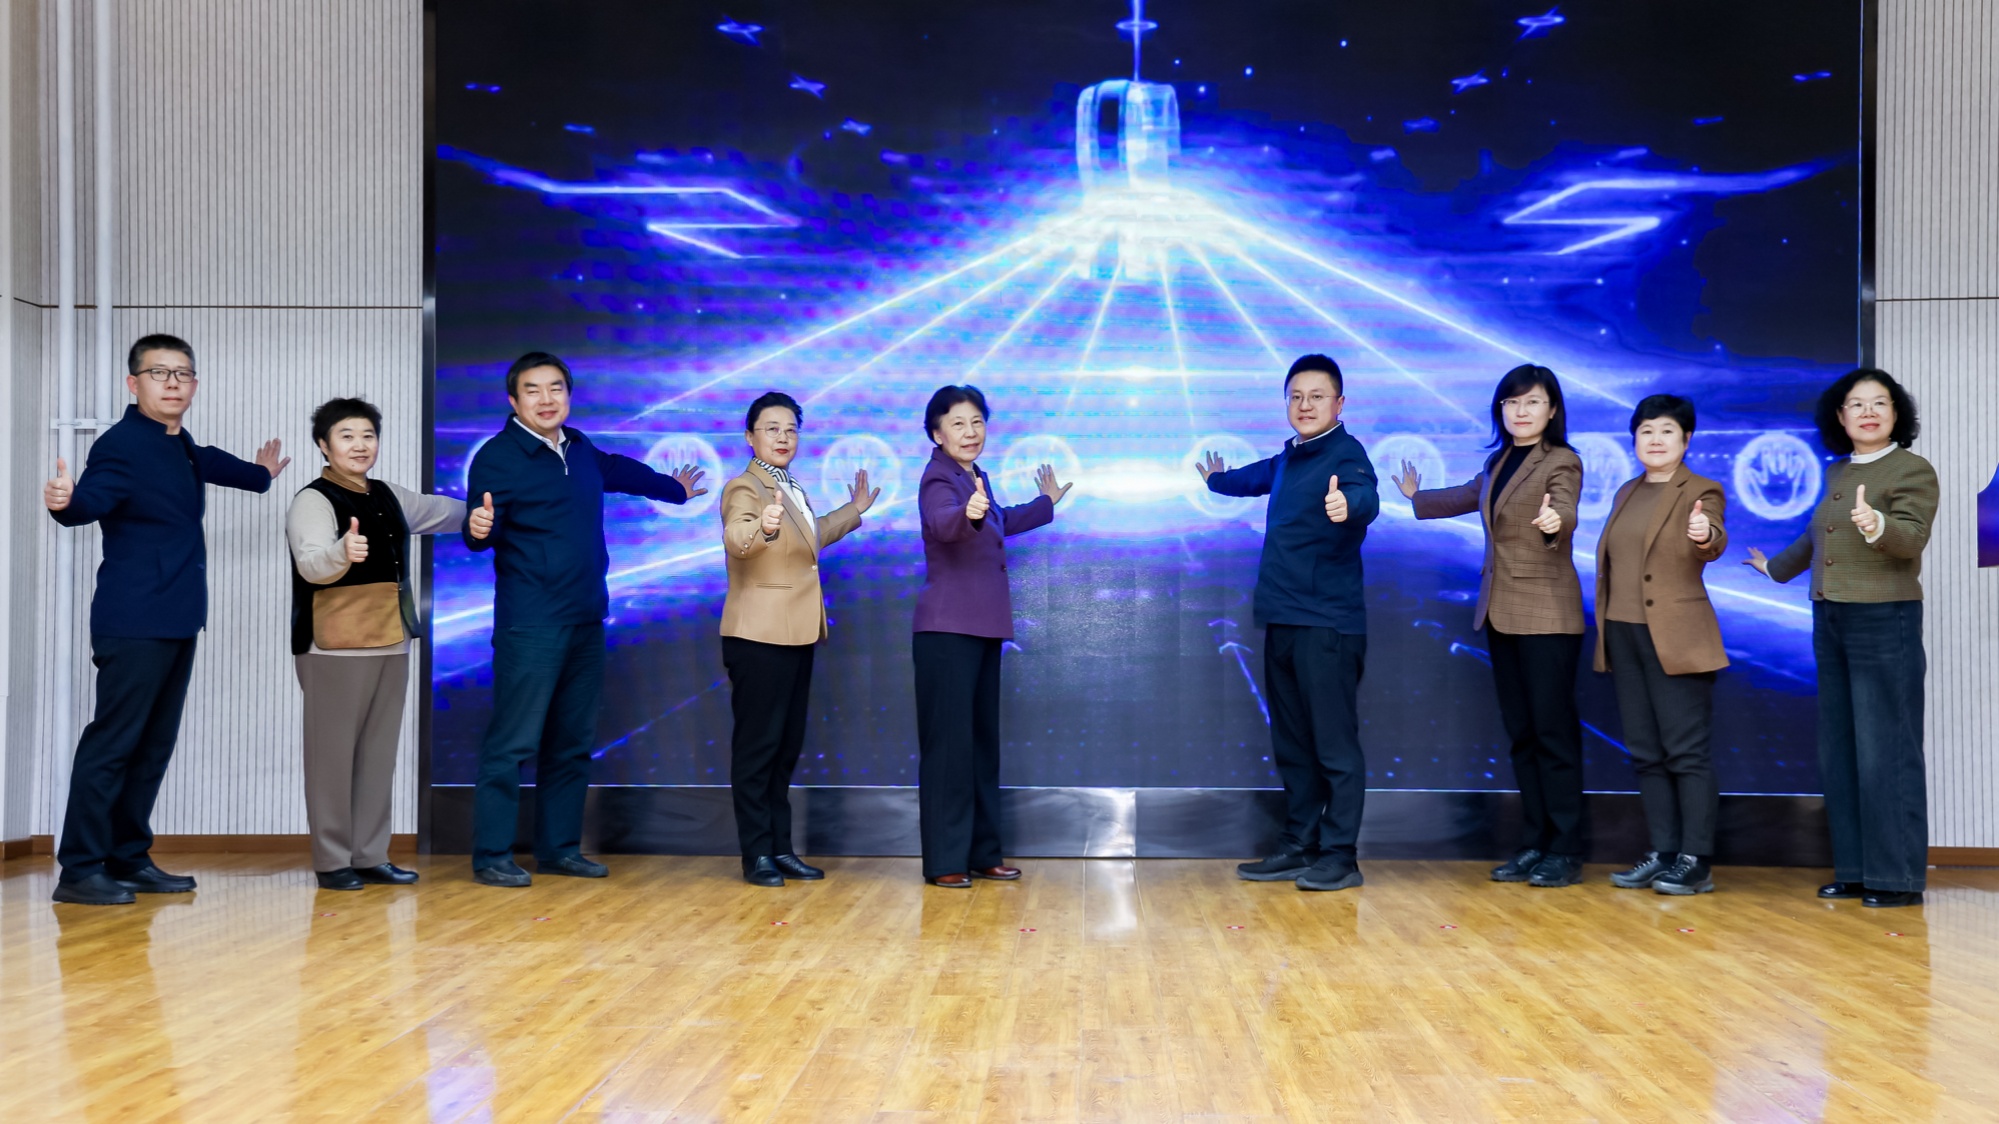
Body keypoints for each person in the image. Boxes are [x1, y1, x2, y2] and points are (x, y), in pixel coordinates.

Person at [43, 333, 290, 906]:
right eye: (160, 373)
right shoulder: (121, 445)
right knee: (113, 744)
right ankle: (79, 869)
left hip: (177, 617)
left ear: (194, 385)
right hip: (134, 619)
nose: (173, 383)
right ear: (134, 383)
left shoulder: (179, 442)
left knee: (152, 747)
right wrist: (66, 503)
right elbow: (90, 501)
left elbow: (210, 463)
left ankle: (128, 858)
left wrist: (260, 475)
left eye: (183, 374)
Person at [462, 351, 707, 887]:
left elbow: (617, 469)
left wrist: (673, 489)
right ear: (514, 400)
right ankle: (492, 856)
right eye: (533, 390)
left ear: (568, 396)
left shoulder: (579, 447)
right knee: (513, 743)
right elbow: (482, 527)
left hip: (586, 617)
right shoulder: (498, 457)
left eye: (556, 388)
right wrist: (478, 528)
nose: (546, 399)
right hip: (532, 623)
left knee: (571, 743)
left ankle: (559, 850)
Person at [1747, 368, 1936, 908]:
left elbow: (1911, 537)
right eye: (1856, 404)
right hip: (1829, 618)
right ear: (1840, 416)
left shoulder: (1913, 469)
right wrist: (1773, 569)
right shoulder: (1838, 471)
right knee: (1842, 749)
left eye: (1880, 403)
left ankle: (1896, 877)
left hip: (1884, 619)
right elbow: (1817, 534)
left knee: (1886, 751)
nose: (1868, 412)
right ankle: (1855, 870)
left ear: (1896, 413)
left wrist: (1877, 524)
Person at [1396, 364, 1587, 888]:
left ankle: (1565, 849)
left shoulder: (1562, 460)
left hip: (1547, 614)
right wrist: (1417, 497)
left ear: (1552, 409)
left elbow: (1564, 506)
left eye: (1532, 402)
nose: (1521, 411)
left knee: (1552, 735)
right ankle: (1535, 842)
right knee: (1522, 735)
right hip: (1501, 612)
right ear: (1500, 410)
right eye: (1511, 403)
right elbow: (1469, 494)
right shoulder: (1499, 460)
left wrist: (1557, 522)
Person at [1203, 354, 1381, 893]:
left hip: (1327, 625)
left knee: (1333, 746)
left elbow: (1365, 495)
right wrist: (1216, 480)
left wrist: (1348, 506)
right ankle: (1299, 843)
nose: (1305, 405)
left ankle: (1340, 855)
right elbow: (1253, 478)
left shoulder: (1347, 455)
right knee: (1294, 744)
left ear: (1339, 404)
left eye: (1317, 396)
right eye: (1296, 397)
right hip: (1282, 618)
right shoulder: (1290, 457)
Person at [287, 398, 466, 891]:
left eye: (368, 435)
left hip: (391, 640)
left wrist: (487, 510)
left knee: (378, 757)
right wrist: (342, 552)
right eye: (346, 436)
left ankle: (369, 855)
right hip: (334, 648)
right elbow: (312, 563)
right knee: (331, 759)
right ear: (324, 445)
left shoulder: (389, 495)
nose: (360, 445)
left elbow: (441, 511)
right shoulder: (312, 500)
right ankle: (332, 861)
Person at [913, 384, 1070, 888]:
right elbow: (944, 522)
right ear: (937, 434)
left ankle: (983, 853)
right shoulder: (939, 478)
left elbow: (999, 520)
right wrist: (967, 514)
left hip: (980, 627)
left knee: (980, 745)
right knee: (949, 748)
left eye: (977, 421)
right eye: (958, 423)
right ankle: (946, 861)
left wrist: (1045, 504)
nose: (970, 431)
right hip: (947, 630)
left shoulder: (974, 477)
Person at [719, 391, 877, 887]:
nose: (783, 437)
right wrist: (761, 529)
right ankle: (756, 855)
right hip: (758, 635)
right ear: (750, 437)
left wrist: (853, 510)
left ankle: (780, 848)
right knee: (757, 749)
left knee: (784, 748)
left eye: (791, 429)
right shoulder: (745, 487)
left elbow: (811, 538)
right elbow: (737, 535)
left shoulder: (791, 488)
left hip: (796, 633)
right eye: (772, 428)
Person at [1593, 395, 1728, 895]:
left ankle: (1696, 860)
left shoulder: (1702, 489)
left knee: (1686, 752)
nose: (1655, 439)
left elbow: (1713, 538)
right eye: (1646, 430)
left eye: (1667, 431)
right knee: (1646, 752)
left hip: (1676, 636)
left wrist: (1704, 533)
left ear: (1686, 440)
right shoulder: (1626, 491)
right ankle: (1665, 851)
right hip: (1623, 632)